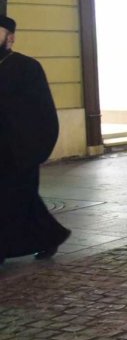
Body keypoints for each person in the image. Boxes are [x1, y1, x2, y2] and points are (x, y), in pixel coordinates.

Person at [0, 16, 71, 265]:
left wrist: (34, 148)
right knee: (22, 202)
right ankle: (48, 236)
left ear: (10, 38)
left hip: (18, 148)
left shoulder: (26, 67)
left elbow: (42, 111)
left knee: (14, 200)